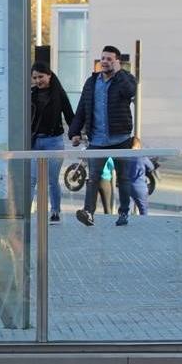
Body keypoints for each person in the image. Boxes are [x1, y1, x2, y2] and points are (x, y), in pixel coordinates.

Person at [68, 45, 138, 227]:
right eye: (103, 58)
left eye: (109, 59)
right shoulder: (91, 83)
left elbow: (130, 92)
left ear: (117, 62)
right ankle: (88, 213)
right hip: (97, 140)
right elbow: (82, 108)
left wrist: (120, 73)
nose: (105, 62)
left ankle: (123, 213)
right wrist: (74, 132)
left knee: (123, 178)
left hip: (120, 139)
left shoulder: (126, 79)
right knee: (93, 178)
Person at [29, 61, 75, 222]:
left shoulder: (58, 94)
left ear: (49, 75)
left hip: (54, 141)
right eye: (34, 78)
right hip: (34, 142)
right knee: (32, 179)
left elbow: (70, 115)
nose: (37, 80)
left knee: (51, 180)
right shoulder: (31, 94)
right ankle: (27, 212)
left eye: (40, 77)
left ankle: (55, 211)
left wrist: (74, 134)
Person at [128, 137, 157, 216]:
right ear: (138, 146)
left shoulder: (125, 157)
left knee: (126, 208)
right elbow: (151, 167)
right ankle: (143, 225)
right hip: (139, 186)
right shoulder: (142, 157)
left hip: (126, 185)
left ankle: (125, 224)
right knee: (143, 209)